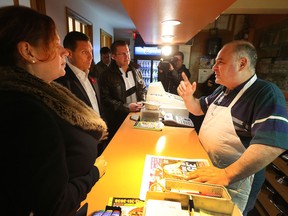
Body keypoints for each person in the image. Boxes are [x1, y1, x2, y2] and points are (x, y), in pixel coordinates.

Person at [0, 6, 108, 216]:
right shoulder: (26, 110)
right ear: (28, 51)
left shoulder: (39, 94)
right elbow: (54, 206)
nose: (64, 51)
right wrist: (94, 172)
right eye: (56, 44)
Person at [177, 40, 288, 215]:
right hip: (209, 170)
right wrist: (188, 97)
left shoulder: (265, 93)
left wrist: (227, 174)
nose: (214, 67)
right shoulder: (223, 91)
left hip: (235, 182)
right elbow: (198, 108)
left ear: (242, 63)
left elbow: (272, 144)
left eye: (220, 62)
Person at [55, 31, 108, 155]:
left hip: (101, 139)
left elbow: (98, 106)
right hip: (82, 147)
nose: (90, 57)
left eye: (91, 51)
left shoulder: (92, 76)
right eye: (84, 52)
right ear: (69, 54)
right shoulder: (62, 82)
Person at [99, 40, 146, 141]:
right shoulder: (106, 75)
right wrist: (127, 107)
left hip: (136, 116)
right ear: (113, 56)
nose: (127, 56)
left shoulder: (136, 69)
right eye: (122, 54)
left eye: (128, 52)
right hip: (118, 121)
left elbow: (142, 88)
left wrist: (142, 101)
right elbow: (106, 100)